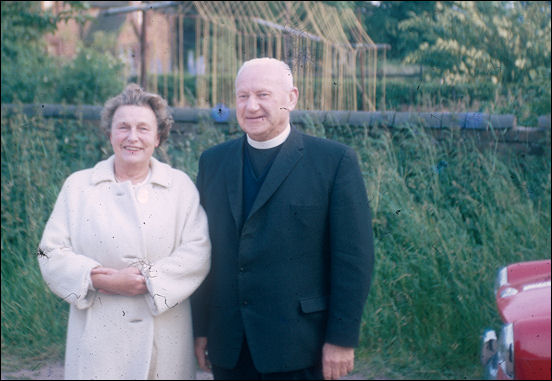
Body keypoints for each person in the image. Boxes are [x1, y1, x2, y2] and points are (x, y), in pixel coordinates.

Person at [191, 57, 375, 380]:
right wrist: (200, 327)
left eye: (263, 95)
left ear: (291, 98)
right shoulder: (213, 163)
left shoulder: (334, 162)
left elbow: (353, 259)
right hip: (230, 347)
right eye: (242, 96)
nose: (251, 106)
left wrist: (342, 339)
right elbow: (201, 252)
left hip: (300, 347)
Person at [37, 83, 211, 380]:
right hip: (97, 341)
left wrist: (149, 282)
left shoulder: (179, 187)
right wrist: (98, 278)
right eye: (123, 127)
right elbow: (49, 252)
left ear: (158, 137)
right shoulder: (78, 187)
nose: (132, 137)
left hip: (164, 337)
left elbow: (198, 251)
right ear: (109, 134)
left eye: (143, 129)